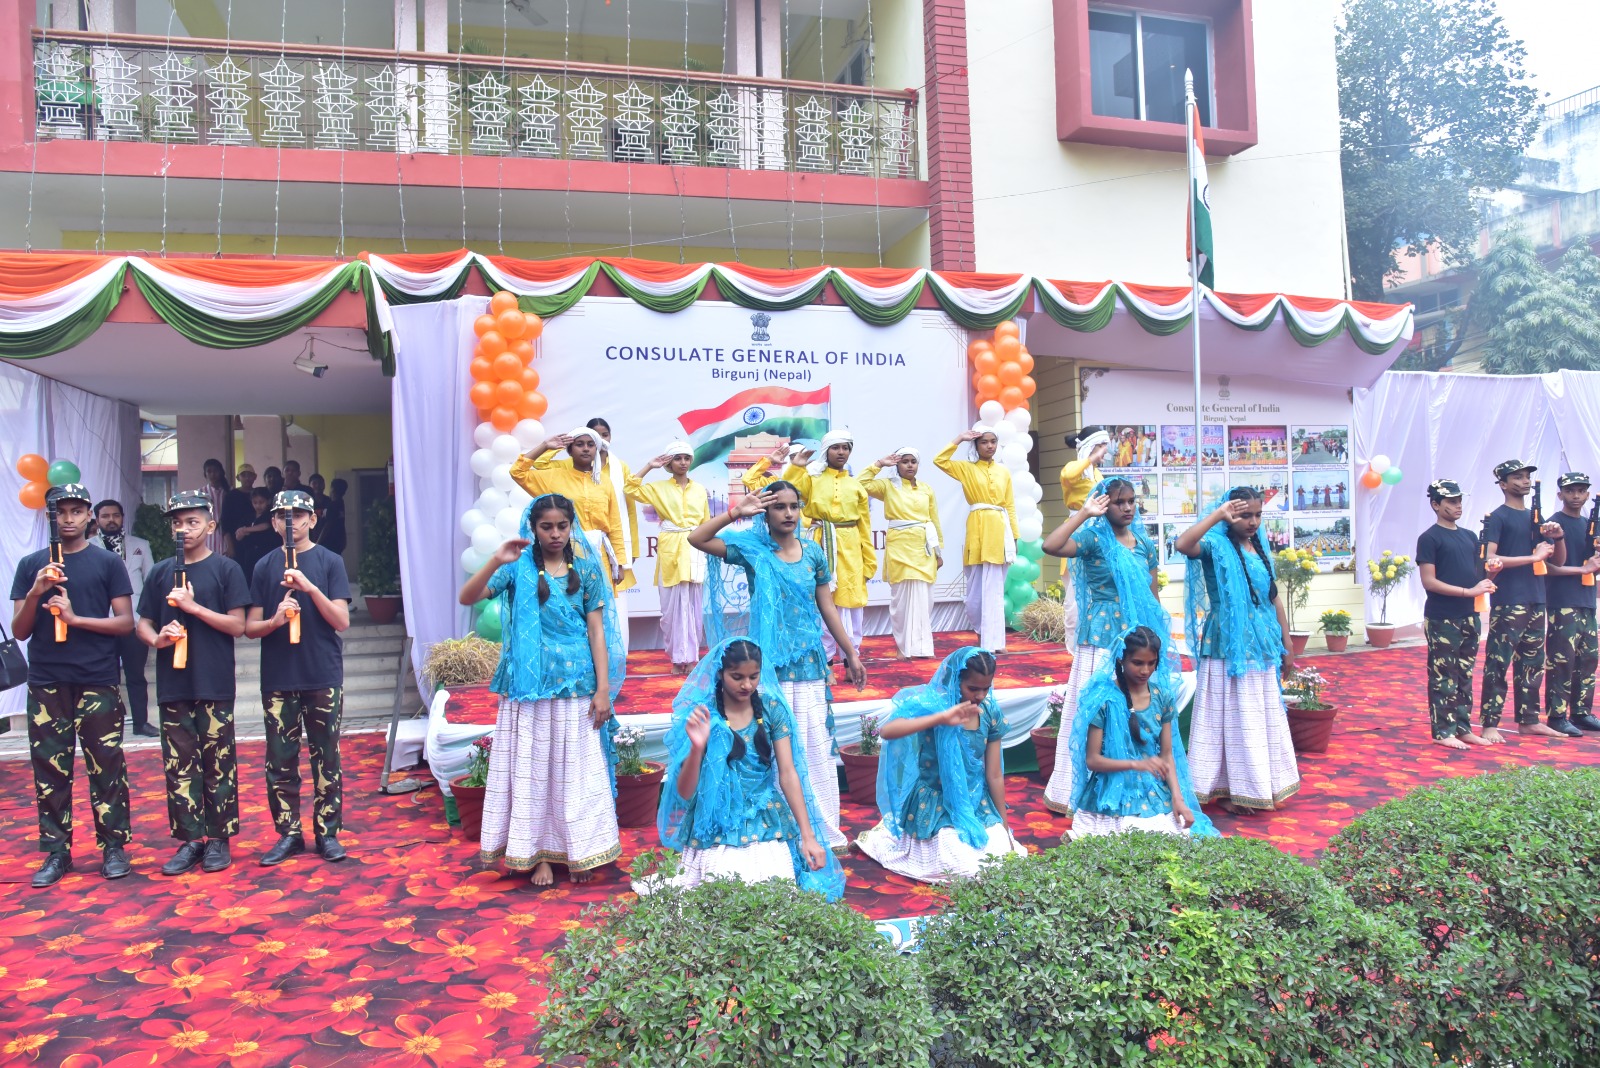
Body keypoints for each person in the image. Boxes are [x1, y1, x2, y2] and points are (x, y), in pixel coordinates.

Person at [690, 480, 868, 854]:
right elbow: (697, 538)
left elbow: (827, 608)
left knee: (814, 747)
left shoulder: (814, 553)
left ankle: (822, 830)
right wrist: (735, 513)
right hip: (767, 670)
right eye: (779, 506)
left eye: (793, 506)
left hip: (809, 666)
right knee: (775, 749)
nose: (788, 513)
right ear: (766, 513)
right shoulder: (753, 550)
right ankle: (779, 828)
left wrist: (850, 653)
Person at [459, 493, 625, 886]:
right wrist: (496, 561)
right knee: (533, 773)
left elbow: (597, 631)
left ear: (571, 527)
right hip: (528, 688)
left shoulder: (585, 569)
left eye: (561, 526)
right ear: (532, 528)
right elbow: (467, 597)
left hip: (576, 687)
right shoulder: (515, 567)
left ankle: (578, 850)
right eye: (546, 526)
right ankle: (536, 857)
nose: (554, 534)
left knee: (576, 773)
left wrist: (603, 690)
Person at [644, 639, 843, 897]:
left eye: (754, 676)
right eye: (737, 677)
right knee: (722, 897)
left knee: (775, 895)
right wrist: (696, 747)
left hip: (766, 818)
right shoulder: (705, 715)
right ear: (720, 673)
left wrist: (808, 835)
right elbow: (684, 792)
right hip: (716, 823)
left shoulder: (772, 709)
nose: (747, 685)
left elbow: (788, 774)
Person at [10, 483, 136, 886]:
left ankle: (113, 846)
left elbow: (125, 622)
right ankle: (56, 851)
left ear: (89, 516)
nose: (67, 519)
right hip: (47, 680)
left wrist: (76, 618)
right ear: (48, 516)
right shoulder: (32, 563)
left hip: (96, 678)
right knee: (49, 768)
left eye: (75, 511)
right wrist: (36, 592)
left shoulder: (106, 562)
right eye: (59, 512)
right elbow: (20, 630)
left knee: (107, 766)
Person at [135, 490, 252, 875]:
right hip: (174, 683)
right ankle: (190, 840)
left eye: (192, 522)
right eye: (177, 522)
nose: (184, 529)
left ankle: (219, 838)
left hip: (213, 680)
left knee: (218, 762)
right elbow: (143, 621)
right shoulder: (160, 572)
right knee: (179, 765)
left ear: (210, 526)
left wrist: (193, 608)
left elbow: (238, 625)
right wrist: (156, 638)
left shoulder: (225, 569)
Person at [1039, 478, 1164, 813]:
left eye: (1130, 501)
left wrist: (1157, 641)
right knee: (1095, 712)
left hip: (1139, 641)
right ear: (1105, 505)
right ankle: (1076, 792)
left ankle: (1132, 787)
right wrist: (1084, 513)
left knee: (1137, 711)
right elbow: (1051, 546)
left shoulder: (1143, 544)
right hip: (1102, 639)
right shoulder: (1094, 537)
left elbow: (1152, 595)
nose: (1126, 507)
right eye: (1117, 502)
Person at [244, 489, 353, 867]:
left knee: (327, 758)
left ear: (312, 518)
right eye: (281, 516)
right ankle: (288, 833)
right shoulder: (263, 566)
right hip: (278, 676)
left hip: (321, 672)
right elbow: (250, 627)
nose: (289, 521)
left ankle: (327, 832)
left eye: (297, 514)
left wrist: (309, 587)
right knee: (280, 760)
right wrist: (275, 619)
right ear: (273, 522)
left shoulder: (329, 561)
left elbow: (342, 621)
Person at [1175, 487, 1300, 815]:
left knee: (1257, 714)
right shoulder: (1215, 544)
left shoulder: (1258, 546)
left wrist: (1286, 642)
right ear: (1229, 513)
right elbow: (1182, 545)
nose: (1253, 521)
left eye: (1258, 514)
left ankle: (1260, 786)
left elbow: (1272, 597)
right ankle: (1232, 789)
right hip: (1227, 643)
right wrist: (1217, 515)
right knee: (1233, 716)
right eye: (1245, 515)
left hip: (1261, 643)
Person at [855, 647, 1028, 882]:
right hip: (937, 803)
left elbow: (995, 775)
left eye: (986, 689)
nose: (980, 695)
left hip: (976, 802)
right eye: (973, 688)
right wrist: (942, 718)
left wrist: (1005, 828)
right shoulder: (933, 705)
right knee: (963, 867)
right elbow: (887, 731)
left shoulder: (989, 713)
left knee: (1001, 860)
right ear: (955, 679)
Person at [1066, 625, 1216, 839]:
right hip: (1112, 794)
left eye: (1151, 663)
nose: (1145, 670)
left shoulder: (1162, 697)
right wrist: (1137, 764)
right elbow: (1092, 760)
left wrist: (1178, 799)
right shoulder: (1104, 699)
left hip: (1154, 791)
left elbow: (1166, 756)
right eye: (1137, 663)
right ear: (1121, 660)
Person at [513, 429, 633, 649]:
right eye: (579, 444)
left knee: (599, 611)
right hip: (566, 554)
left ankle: (601, 669)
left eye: (590, 444)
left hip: (600, 556)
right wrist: (546, 446)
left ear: (597, 449)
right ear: (569, 449)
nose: (586, 448)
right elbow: (518, 472)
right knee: (571, 607)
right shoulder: (554, 477)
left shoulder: (604, 482)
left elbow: (614, 524)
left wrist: (621, 563)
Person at [1481, 459, 1567, 739]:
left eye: (1527, 476)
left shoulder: (1536, 517)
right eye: (1516, 477)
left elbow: (1558, 562)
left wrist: (1559, 538)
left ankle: (1529, 719)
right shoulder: (1498, 517)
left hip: (1536, 597)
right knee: (1499, 662)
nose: (1525, 481)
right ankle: (1490, 723)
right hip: (1508, 600)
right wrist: (1532, 557)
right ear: (1503, 484)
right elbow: (1489, 558)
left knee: (1532, 662)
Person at [1417, 479, 1501, 750]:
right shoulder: (1429, 538)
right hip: (1442, 617)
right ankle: (1443, 731)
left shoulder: (1469, 536)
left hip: (1469, 615)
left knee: (1465, 674)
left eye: (1459, 500)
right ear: (1435, 505)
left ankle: (1463, 727)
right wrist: (1468, 591)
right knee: (1443, 675)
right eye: (1451, 501)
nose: (1457, 505)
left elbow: (1477, 576)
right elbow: (1429, 582)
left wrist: (1491, 575)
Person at [783, 429, 877, 661]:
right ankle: (825, 659)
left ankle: (850, 657)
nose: (841, 452)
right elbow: (790, 496)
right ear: (827, 451)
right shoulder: (812, 478)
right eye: (836, 447)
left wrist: (869, 560)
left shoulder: (856, 486)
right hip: (820, 543)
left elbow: (864, 524)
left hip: (851, 544)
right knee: (823, 599)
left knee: (852, 602)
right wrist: (797, 467)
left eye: (846, 447)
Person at [626, 441, 709, 674]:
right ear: (669, 463)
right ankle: (676, 659)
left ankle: (691, 658)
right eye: (677, 458)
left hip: (694, 548)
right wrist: (648, 467)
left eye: (686, 458)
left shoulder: (700, 489)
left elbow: (705, 522)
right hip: (671, 548)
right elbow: (630, 489)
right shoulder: (658, 487)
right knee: (671, 607)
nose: (683, 462)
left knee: (693, 606)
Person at [935, 428, 1020, 653]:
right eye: (984, 442)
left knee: (995, 590)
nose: (990, 446)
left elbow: (1009, 505)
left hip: (1001, 532)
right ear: (976, 445)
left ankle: (995, 642)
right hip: (978, 528)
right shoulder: (966, 469)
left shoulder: (1003, 472)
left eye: (993, 442)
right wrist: (959, 438)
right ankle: (982, 634)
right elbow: (939, 460)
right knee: (975, 593)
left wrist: (1015, 535)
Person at [860, 447, 944, 659]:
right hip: (900, 547)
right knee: (901, 601)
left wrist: (938, 550)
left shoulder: (926, 489)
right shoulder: (889, 486)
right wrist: (879, 463)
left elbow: (934, 519)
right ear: (897, 465)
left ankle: (923, 647)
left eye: (913, 461)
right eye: (904, 461)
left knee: (925, 598)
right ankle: (903, 647)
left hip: (924, 546)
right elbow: (860, 484)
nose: (909, 465)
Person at [89, 498, 157, 738]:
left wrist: (148, 618)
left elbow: (151, 582)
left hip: (135, 622)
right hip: (101, 623)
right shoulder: (87, 547)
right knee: (106, 677)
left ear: (122, 518)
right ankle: (110, 724)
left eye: (115, 515)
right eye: (105, 516)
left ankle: (141, 723)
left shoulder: (141, 545)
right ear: (96, 520)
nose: (111, 520)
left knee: (136, 675)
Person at [1544, 472, 1600, 736]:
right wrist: (1584, 568)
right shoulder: (1553, 525)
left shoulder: (1591, 524)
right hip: (1562, 602)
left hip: (1587, 601)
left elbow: (1592, 566)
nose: (1576, 496)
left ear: (1588, 494)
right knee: (1562, 659)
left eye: (1581, 491)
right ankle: (1557, 715)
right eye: (1570, 491)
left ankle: (1581, 711)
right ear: (1560, 495)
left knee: (1588, 659)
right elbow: (1549, 567)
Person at [1057, 428, 1110, 647]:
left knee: (1094, 588)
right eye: (1102, 449)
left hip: (1098, 532)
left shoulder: (1097, 474)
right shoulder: (1073, 468)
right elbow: (1068, 475)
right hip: (1077, 529)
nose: (1104, 455)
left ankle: (1092, 641)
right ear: (1092, 447)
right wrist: (1090, 459)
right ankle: (1072, 645)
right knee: (1074, 594)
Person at [232, 487, 278, 581]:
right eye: (255, 502)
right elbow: (238, 536)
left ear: (268, 501)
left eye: (261, 502)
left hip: (266, 553)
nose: (258, 505)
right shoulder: (248, 517)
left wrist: (247, 530)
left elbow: (265, 525)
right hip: (249, 556)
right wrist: (241, 533)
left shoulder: (270, 515)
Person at [220, 464, 257, 558]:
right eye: (243, 475)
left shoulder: (259, 494)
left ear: (255, 477)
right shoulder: (231, 496)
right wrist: (230, 546)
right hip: (237, 543)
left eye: (250, 475)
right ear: (238, 478)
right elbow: (225, 522)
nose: (247, 478)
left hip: (257, 543)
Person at [201, 458, 229, 555]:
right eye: (209, 471)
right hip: (208, 539)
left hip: (227, 539)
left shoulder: (229, 492)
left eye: (215, 471)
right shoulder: (200, 493)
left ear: (221, 472)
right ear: (205, 474)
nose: (213, 474)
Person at [318, 477, 348, 556]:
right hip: (338, 541)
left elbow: (328, 525)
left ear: (333, 489)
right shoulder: (340, 503)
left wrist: (318, 542)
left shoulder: (333, 505)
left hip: (329, 542)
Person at [307, 473, 332, 543]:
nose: (317, 486)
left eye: (320, 483)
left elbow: (330, 523)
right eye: (314, 483)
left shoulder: (329, 502)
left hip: (327, 540)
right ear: (310, 486)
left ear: (324, 485)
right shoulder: (305, 502)